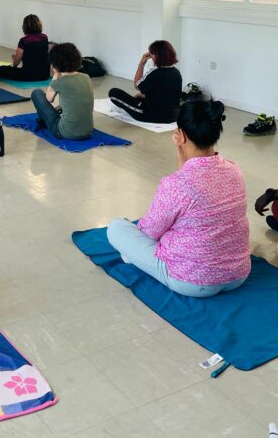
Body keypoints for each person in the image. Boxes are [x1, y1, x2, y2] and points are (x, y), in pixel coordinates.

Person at [107, 99, 251, 297]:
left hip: (193, 281)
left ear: (181, 135)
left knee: (117, 228)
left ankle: (132, 256)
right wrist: (180, 149)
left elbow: (150, 232)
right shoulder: (234, 170)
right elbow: (189, 176)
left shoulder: (176, 184)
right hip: (237, 275)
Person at [109, 40, 182, 124]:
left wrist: (141, 64)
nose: (150, 56)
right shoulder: (176, 72)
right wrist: (142, 95)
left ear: (158, 56)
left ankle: (126, 109)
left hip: (151, 115)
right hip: (173, 116)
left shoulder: (155, 72)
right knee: (140, 96)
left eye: (152, 53)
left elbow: (137, 86)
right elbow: (163, 93)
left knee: (113, 93)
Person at [31, 43, 93, 140]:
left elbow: (49, 99)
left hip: (64, 132)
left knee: (37, 93)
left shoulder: (60, 81)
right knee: (60, 108)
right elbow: (77, 99)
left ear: (55, 63)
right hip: (88, 131)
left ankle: (43, 121)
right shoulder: (86, 77)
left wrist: (56, 75)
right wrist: (60, 106)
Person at [0, 14, 50, 82]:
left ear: (25, 27)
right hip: (45, 74)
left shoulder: (24, 40)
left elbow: (17, 60)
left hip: (28, 75)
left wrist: (14, 66)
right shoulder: (44, 37)